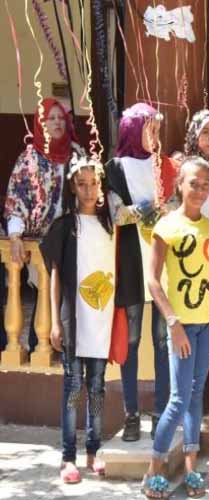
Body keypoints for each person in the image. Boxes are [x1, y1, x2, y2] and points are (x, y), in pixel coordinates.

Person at [142, 157, 209, 499]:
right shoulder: (167, 226)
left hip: (208, 324)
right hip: (182, 326)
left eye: (205, 185)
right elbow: (152, 280)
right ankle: (153, 472)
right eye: (194, 183)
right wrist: (172, 322)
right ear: (180, 185)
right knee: (178, 400)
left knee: (196, 395)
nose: (200, 190)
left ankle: (191, 470)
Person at [40, 154, 114, 484]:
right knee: (73, 387)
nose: (88, 190)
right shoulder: (66, 227)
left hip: (101, 319)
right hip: (74, 319)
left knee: (97, 387)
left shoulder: (109, 225)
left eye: (94, 183)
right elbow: (55, 275)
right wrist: (56, 321)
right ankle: (68, 456)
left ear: (101, 186)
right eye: (81, 184)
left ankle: (93, 450)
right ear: (72, 186)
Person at [106, 103, 176, 442]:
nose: (155, 136)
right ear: (132, 130)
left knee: (162, 340)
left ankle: (161, 410)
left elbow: (176, 206)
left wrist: (166, 208)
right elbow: (116, 214)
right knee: (132, 339)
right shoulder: (115, 168)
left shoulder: (166, 165)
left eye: (158, 130)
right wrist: (146, 208)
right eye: (149, 129)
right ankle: (131, 413)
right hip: (132, 262)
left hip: (162, 262)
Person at [5, 97, 83, 353]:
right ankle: (38, 347)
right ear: (41, 123)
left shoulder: (77, 154)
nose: (57, 122)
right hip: (40, 242)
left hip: (72, 238)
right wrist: (15, 236)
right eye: (51, 118)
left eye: (61, 118)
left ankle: (66, 352)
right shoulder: (29, 159)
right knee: (44, 295)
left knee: (66, 300)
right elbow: (16, 200)